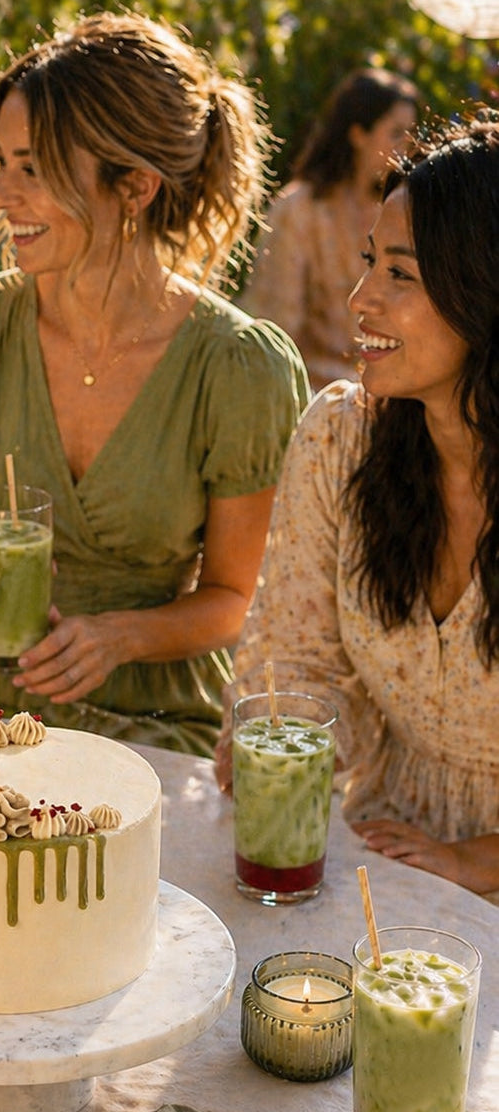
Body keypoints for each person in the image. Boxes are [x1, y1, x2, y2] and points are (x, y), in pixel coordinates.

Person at [0, 12, 309, 757]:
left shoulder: (236, 369)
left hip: (152, 721)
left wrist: (116, 637)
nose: (1, 194)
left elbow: (236, 599)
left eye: (32, 169)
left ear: (133, 186)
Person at [217, 116, 499, 899]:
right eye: (369, 262)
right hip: (371, 848)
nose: (358, 298)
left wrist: (476, 861)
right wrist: (272, 736)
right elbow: (295, 660)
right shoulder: (341, 438)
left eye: (399, 275)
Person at [239, 68, 420, 391]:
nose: (407, 146)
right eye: (395, 133)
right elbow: (276, 328)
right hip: (305, 387)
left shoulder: (399, 213)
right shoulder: (299, 209)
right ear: (357, 134)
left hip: (389, 390)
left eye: (411, 133)